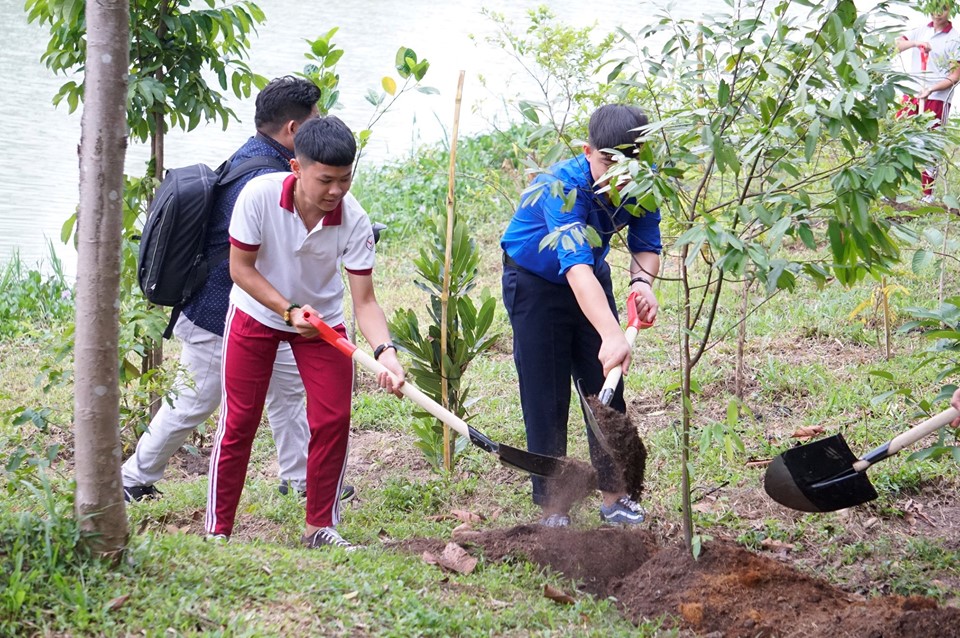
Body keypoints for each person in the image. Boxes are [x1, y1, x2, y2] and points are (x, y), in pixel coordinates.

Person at [121, 77, 356, 504]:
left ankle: (301, 477)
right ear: (292, 130)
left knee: (288, 388)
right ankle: (133, 478)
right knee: (195, 400)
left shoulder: (258, 154)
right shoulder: (267, 178)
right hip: (222, 312)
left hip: (268, 309)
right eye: (314, 121)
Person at [205, 116, 404, 550]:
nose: (336, 191)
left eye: (346, 179)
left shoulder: (353, 220)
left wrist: (385, 351)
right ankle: (217, 531)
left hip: (324, 324)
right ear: (296, 169)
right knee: (239, 421)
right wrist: (288, 309)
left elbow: (365, 301)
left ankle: (320, 527)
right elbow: (240, 270)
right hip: (256, 313)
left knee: (333, 418)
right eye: (326, 180)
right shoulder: (257, 197)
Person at [500, 104, 662, 528]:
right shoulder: (562, 186)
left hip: (591, 276)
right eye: (608, 161)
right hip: (534, 281)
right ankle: (554, 505)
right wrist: (612, 332)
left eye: (630, 162)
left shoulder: (645, 184)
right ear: (588, 151)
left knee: (605, 384)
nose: (617, 174)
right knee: (545, 391)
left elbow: (646, 243)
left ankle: (615, 496)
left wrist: (642, 284)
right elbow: (573, 266)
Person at [895, 1, 960, 203]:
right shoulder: (920, 31)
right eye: (934, 7)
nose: (937, 13)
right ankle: (891, 190)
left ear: (950, 9)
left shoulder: (955, 39)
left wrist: (931, 88)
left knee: (929, 145)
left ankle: (927, 195)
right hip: (912, 95)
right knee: (898, 138)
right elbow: (897, 44)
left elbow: (955, 76)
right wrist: (916, 44)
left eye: (943, 7)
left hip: (936, 97)